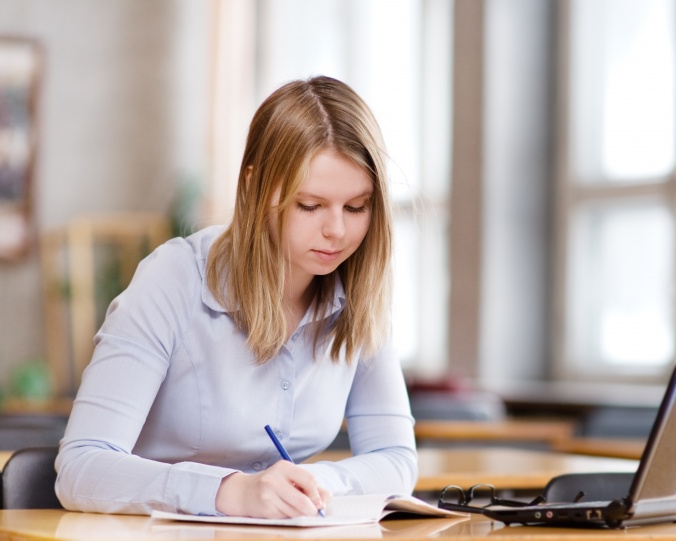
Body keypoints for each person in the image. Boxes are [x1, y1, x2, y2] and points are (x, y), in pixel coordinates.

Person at [55, 76, 418, 518]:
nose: (337, 230)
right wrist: (230, 492)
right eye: (309, 205)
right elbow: (80, 468)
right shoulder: (173, 279)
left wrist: (314, 484)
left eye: (357, 207)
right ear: (255, 186)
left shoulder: (356, 294)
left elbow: (397, 459)